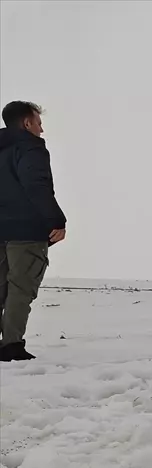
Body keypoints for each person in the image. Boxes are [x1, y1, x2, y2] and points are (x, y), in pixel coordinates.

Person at [0, 101, 67, 362]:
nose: (42, 129)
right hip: (26, 230)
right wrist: (56, 220)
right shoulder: (31, 148)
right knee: (21, 288)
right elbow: (36, 185)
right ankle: (11, 346)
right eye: (38, 122)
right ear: (27, 123)